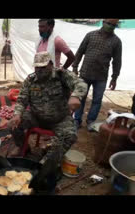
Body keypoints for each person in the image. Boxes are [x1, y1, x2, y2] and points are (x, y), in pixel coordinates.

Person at [8, 52, 87, 188]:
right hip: (36, 117)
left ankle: (48, 164)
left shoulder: (62, 75)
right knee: (14, 124)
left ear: (51, 64)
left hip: (60, 119)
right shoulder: (31, 80)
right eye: (37, 67)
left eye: (43, 67)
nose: (39, 70)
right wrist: (17, 114)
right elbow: (21, 100)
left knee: (70, 135)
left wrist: (76, 96)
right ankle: (23, 148)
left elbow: (81, 83)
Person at [72, 19, 122, 131]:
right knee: (81, 98)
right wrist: (75, 66)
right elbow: (80, 51)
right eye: (109, 23)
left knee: (97, 100)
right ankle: (76, 120)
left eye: (113, 25)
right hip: (85, 73)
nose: (110, 26)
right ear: (103, 22)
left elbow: (117, 61)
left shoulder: (116, 41)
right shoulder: (90, 35)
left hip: (101, 77)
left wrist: (114, 78)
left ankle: (91, 122)